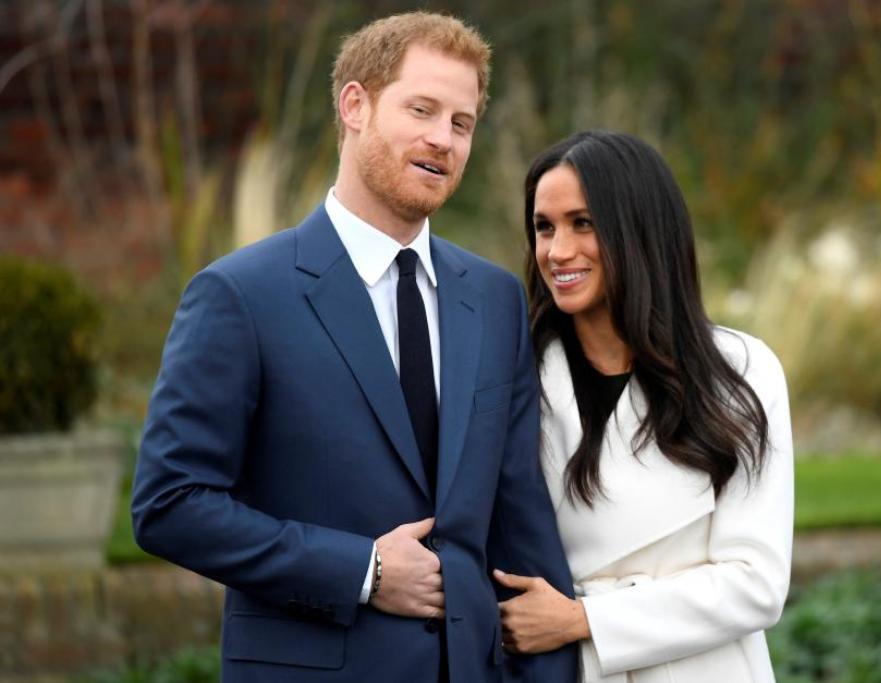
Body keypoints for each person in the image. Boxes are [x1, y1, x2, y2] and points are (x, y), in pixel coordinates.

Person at [131, 12, 577, 683]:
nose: (443, 139)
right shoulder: (240, 295)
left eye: (462, 123)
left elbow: (522, 524)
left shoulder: (493, 298)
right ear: (355, 105)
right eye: (421, 109)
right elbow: (169, 503)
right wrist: (360, 570)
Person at [492, 130, 794, 683]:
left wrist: (583, 618)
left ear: (639, 230)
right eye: (544, 227)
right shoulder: (515, 376)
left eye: (583, 223)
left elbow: (756, 584)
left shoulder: (741, 373)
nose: (558, 251)